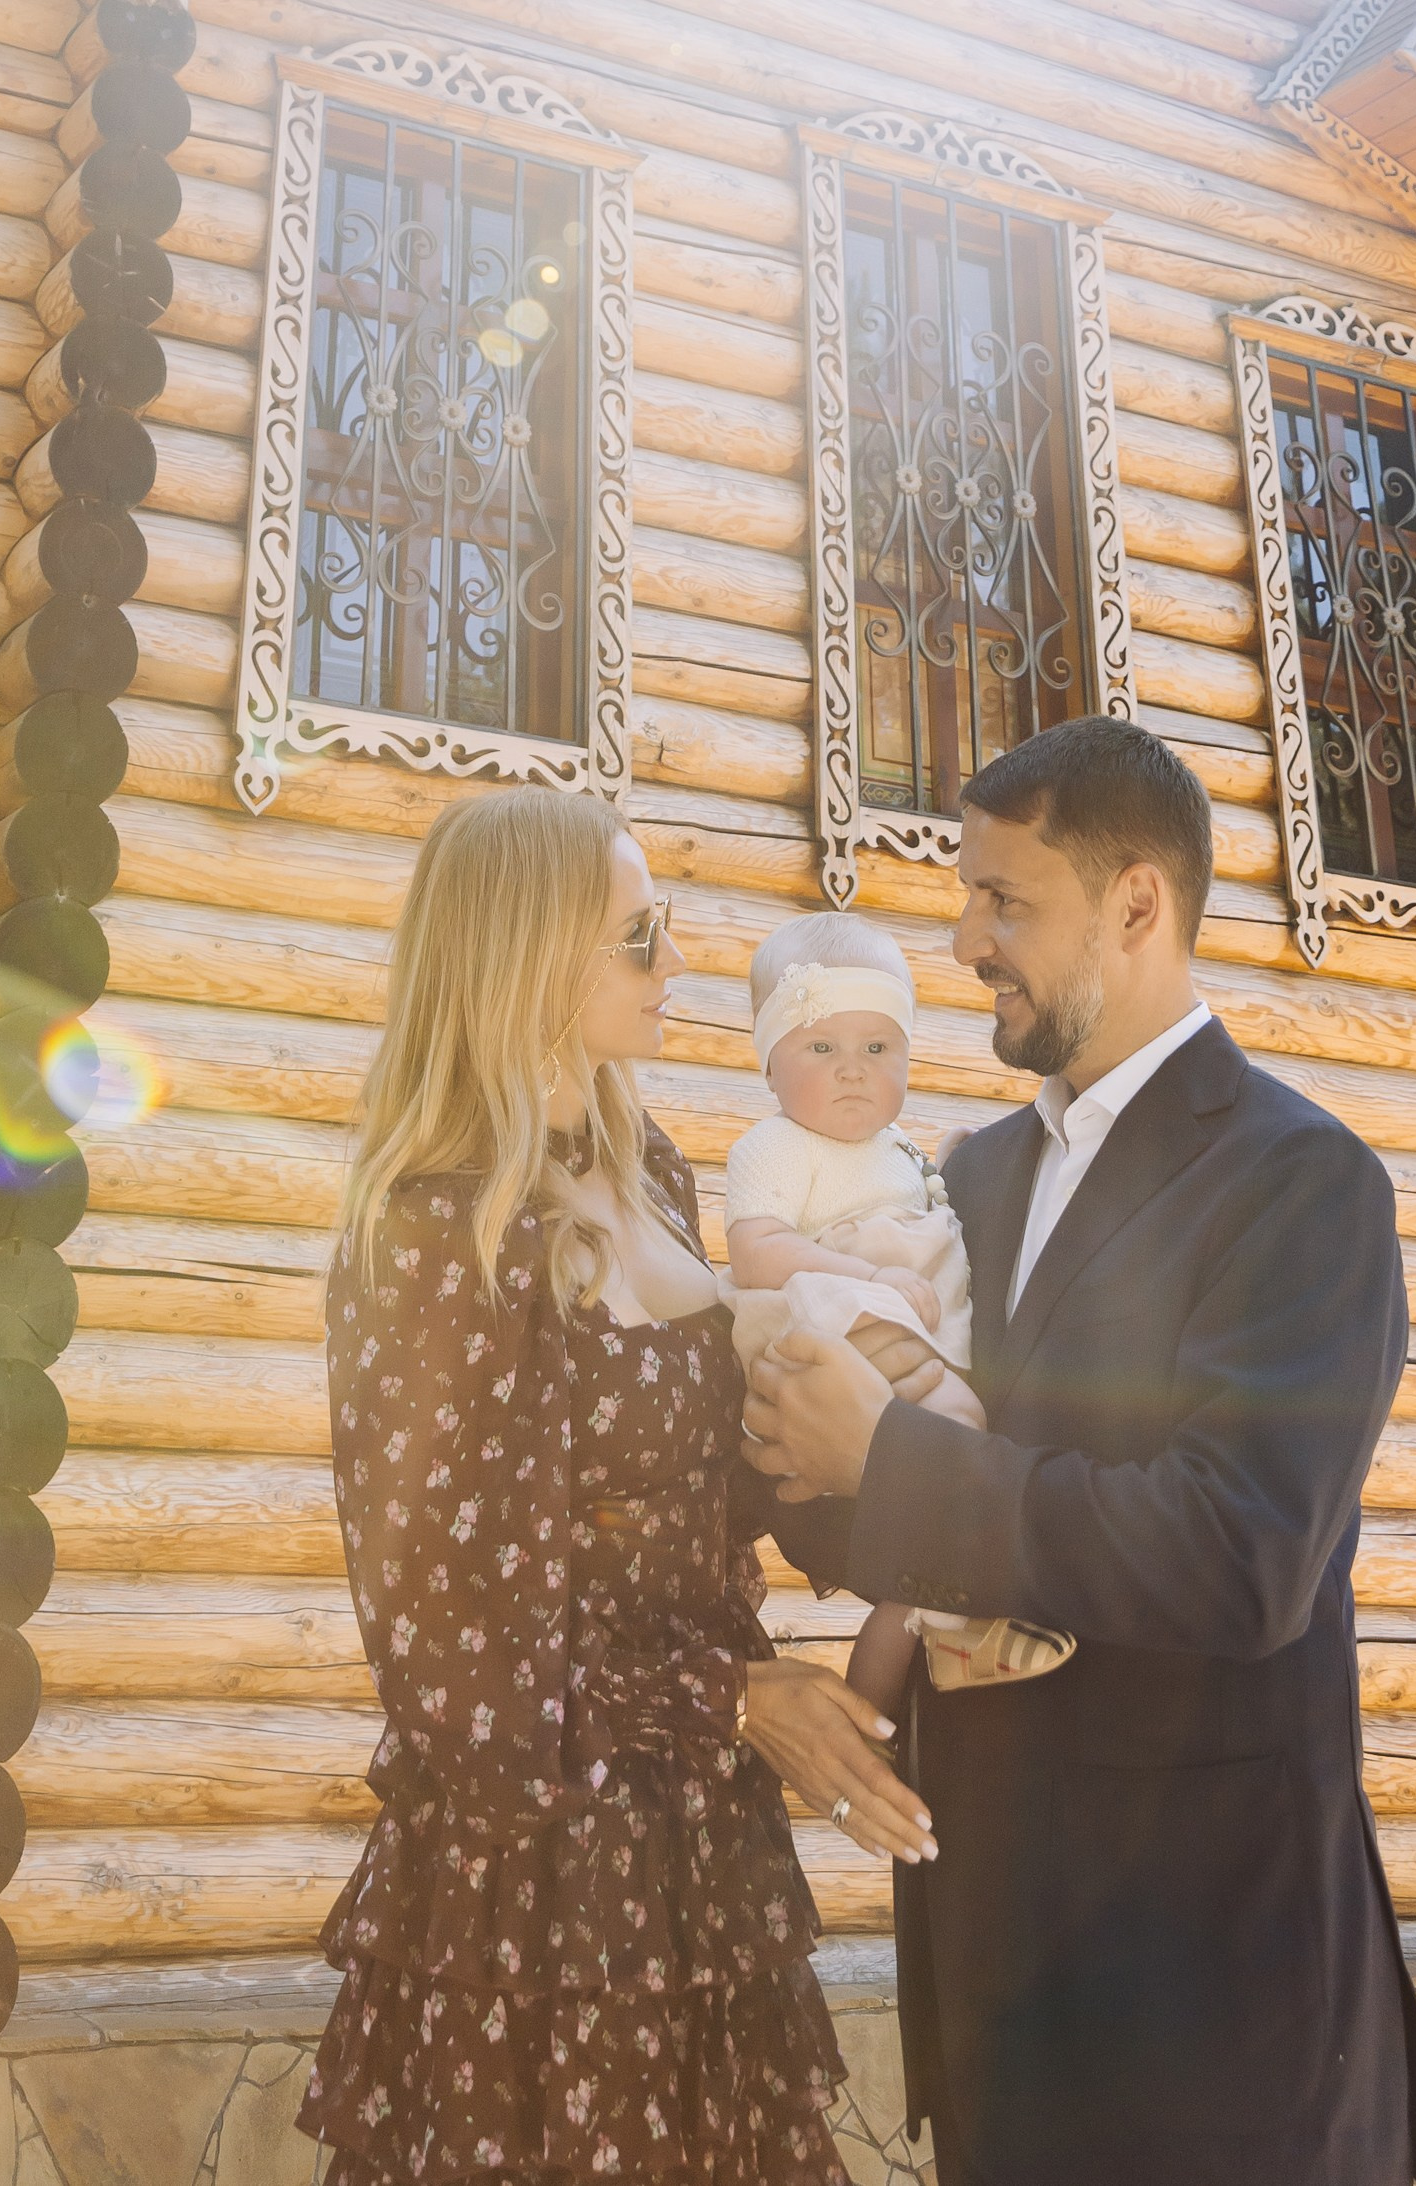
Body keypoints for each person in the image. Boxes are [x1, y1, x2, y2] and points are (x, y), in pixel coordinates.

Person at [743, 715, 1416, 2186]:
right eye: (963, 897)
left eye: (1003, 899)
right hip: (999, 2003)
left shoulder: (1301, 1182)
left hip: (1219, 2032)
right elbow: (875, 1502)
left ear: (1134, 902)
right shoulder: (966, 1180)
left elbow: (1240, 1553)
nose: (959, 940)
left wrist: (885, 1465)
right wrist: (783, 1429)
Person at [299, 787, 937, 2186]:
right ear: (528, 958)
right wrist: (725, 1695)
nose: (676, 967)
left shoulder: (643, 1161)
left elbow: (711, 1482)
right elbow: (450, 1667)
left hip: (693, 1853)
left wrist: (935, 1492)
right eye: (640, 937)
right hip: (532, 1895)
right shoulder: (429, 1229)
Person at [722, 917, 1069, 1716]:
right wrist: (866, 1272)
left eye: (877, 1050)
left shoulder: (898, 1151)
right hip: (837, 1322)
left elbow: (922, 1205)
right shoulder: (774, 1145)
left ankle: (919, 1625)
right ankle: (956, 1598)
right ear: (770, 1064)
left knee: (950, 1489)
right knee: (967, 1437)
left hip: (899, 1330)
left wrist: (946, 1168)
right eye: (822, 1049)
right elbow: (757, 1252)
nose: (852, 1073)